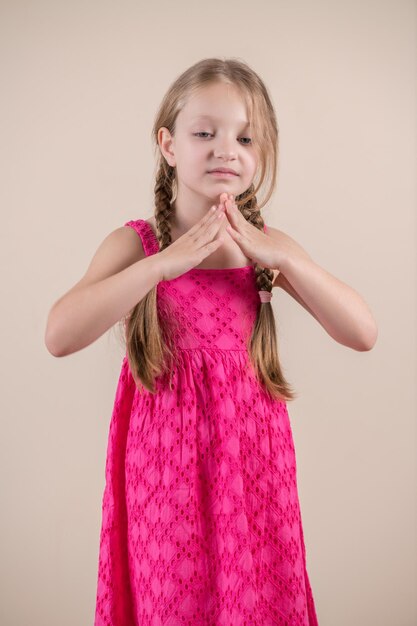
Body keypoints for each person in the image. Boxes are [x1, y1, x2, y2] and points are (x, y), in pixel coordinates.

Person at [45, 57, 378, 626]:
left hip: (254, 473)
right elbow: (60, 334)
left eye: (245, 137)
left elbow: (362, 332)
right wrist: (163, 266)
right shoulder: (138, 245)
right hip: (166, 476)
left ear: (261, 153)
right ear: (169, 145)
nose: (227, 149)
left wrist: (282, 260)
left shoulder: (265, 245)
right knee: (174, 604)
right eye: (206, 133)